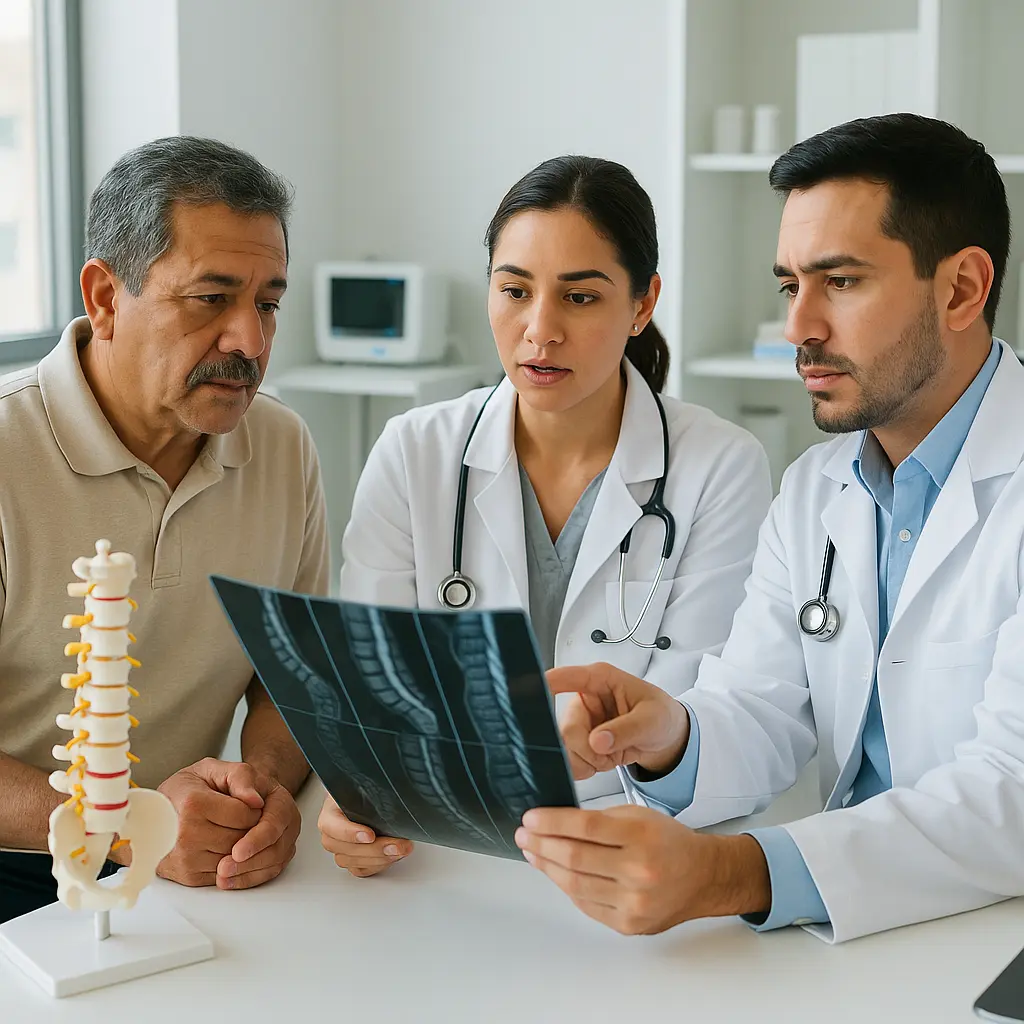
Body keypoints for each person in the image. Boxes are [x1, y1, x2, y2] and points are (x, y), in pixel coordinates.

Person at [514, 113, 1024, 945]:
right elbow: (764, 707)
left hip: (994, 940)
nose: (799, 328)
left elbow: (1013, 795)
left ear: (962, 288)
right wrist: (669, 736)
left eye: (842, 282)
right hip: (860, 931)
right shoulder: (817, 488)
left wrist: (730, 874)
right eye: (791, 286)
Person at [318, 155, 772, 877]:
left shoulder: (720, 465)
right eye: (514, 290)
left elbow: (702, 716)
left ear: (643, 303)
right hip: (444, 849)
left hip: (625, 849)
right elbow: (374, 695)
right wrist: (362, 796)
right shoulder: (415, 451)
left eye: (581, 298)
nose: (539, 329)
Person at [0, 136, 330, 922]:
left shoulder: (281, 447)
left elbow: (292, 678)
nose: (250, 342)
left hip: (190, 861)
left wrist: (266, 790)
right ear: (106, 298)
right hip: (21, 859)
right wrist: (120, 828)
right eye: (211, 298)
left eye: (269, 304)